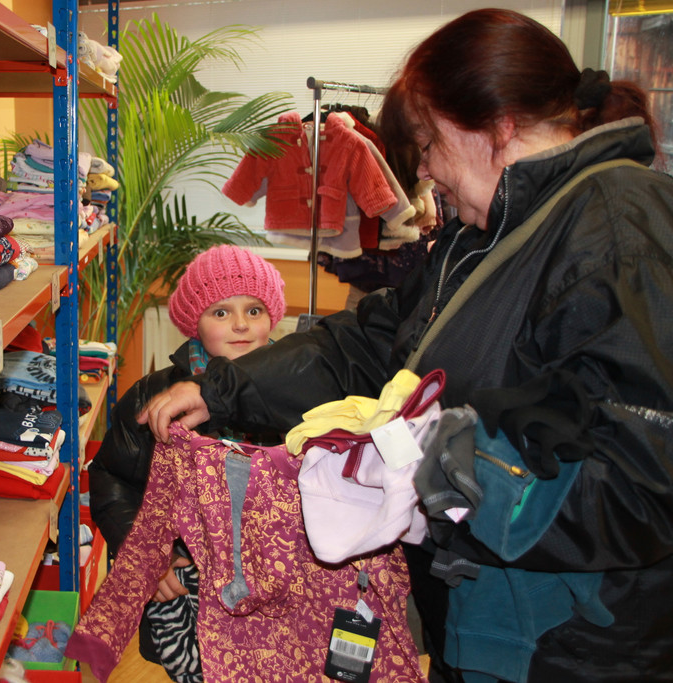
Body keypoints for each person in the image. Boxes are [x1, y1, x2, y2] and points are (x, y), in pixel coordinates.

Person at [139, 8, 673, 683]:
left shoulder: (618, 228)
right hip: (486, 626)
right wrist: (221, 387)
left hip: (570, 650)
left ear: (496, 124)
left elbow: (640, 484)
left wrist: (447, 469)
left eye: (427, 144)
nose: (422, 171)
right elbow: (370, 342)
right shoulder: (485, 238)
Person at [87, 243, 287, 680]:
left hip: (280, 588)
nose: (240, 324)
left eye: (254, 310)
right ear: (194, 322)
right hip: (186, 585)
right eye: (221, 312)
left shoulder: (297, 391)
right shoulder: (154, 395)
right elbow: (110, 476)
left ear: (272, 316)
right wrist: (142, 552)